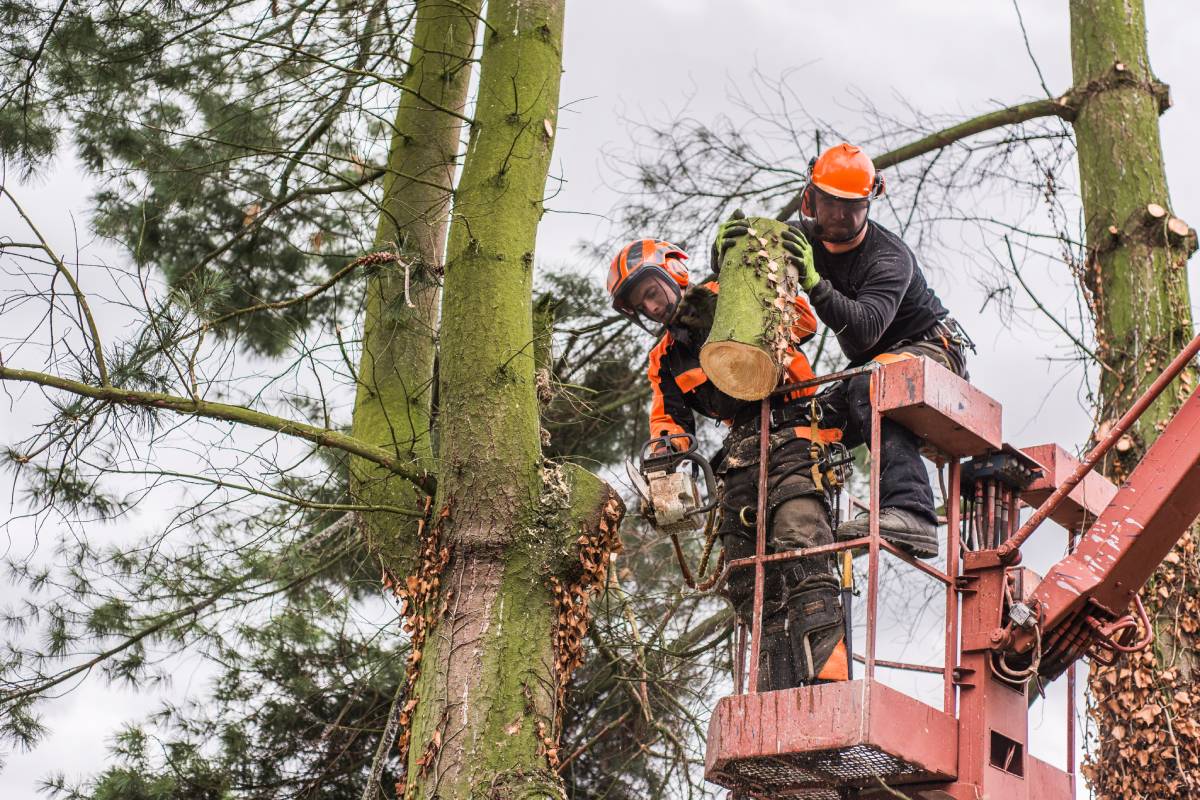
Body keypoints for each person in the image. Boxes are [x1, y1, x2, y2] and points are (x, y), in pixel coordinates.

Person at [607, 238, 847, 689]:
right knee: (744, 574)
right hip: (739, 449)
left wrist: (743, 302)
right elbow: (670, 422)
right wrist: (663, 460)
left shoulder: (729, 291)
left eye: (653, 292)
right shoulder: (664, 358)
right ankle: (773, 693)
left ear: (674, 275)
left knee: (800, 540)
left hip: (794, 424)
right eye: (643, 304)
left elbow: (805, 321)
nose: (653, 306)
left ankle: (828, 683)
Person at [715, 143, 973, 559]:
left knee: (870, 385)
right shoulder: (799, 238)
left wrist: (817, 285)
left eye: (850, 207)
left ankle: (912, 512)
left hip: (931, 348)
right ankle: (799, 535)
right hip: (872, 366)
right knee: (796, 419)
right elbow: (754, 277)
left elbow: (862, 337)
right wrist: (727, 255)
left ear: (869, 204)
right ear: (810, 198)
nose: (838, 215)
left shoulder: (889, 257)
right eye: (830, 203)